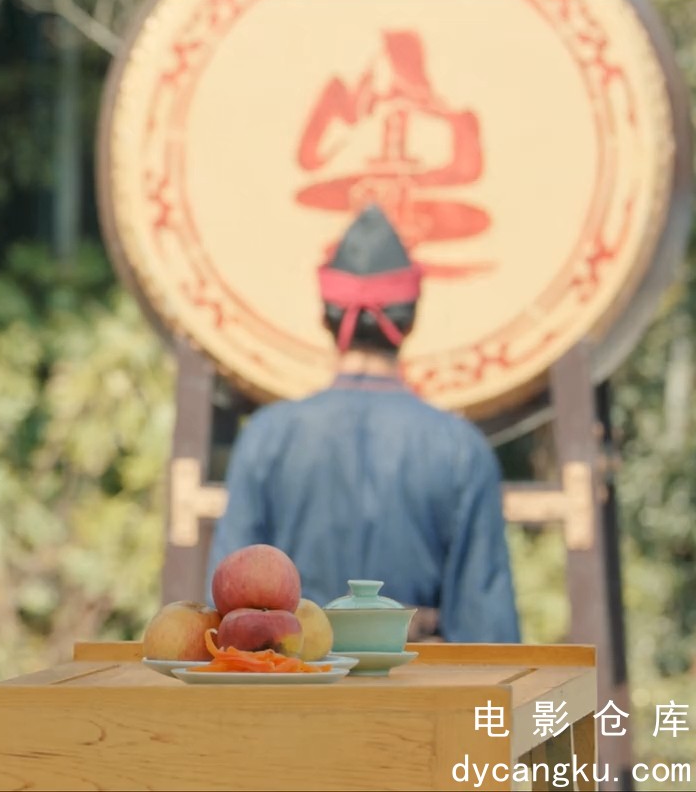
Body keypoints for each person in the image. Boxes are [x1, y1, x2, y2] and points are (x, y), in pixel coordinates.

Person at [203, 205, 521, 645]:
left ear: (325, 317)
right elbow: (486, 633)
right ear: (411, 319)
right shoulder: (459, 449)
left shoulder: (267, 438)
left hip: (291, 676)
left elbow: (227, 609)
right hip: (419, 683)